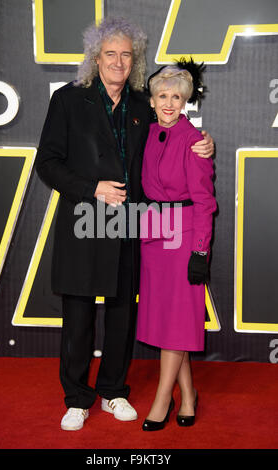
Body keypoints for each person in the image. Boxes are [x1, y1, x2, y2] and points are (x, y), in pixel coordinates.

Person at [35, 17, 215, 431]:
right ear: (96, 57)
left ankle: (114, 391)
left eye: (126, 55)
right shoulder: (66, 99)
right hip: (85, 216)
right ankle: (77, 398)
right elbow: (47, 164)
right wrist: (90, 188)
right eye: (110, 53)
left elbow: (175, 137)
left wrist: (206, 143)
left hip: (131, 224)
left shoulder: (142, 104)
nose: (118, 61)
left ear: (134, 62)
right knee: (78, 315)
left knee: (120, 315)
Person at [136, 60, 217, 430]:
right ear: (151, 100)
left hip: (185, 239)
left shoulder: (194, 141)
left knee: (176, 320)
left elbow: (205, 202)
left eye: (177, 97)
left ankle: (162, 399)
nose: (169, 103)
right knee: (172, 322)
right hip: (153, 238)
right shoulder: (146, 133)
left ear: (186, 101)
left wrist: (200, 251)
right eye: (162, 96)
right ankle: (189, 393)